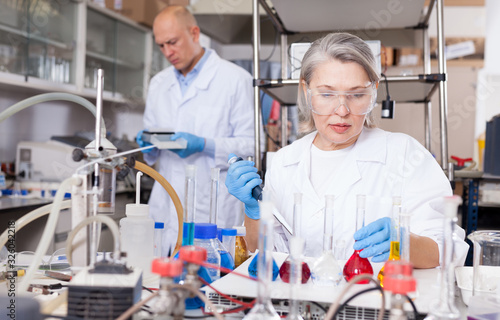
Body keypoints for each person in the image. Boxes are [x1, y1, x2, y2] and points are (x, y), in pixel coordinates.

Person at [225, 32, 469, 269]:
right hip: (296, 304)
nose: (342, 110)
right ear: (306, 92)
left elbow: (448, 250)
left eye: (356, 94)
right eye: (327, 93)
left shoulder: (404, 154)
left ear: (373, 92)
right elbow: (261, 255)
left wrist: (406, 243)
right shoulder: (285, 161)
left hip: (376, 303)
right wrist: (253, 212)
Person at [137, 6, 255, 252]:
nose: (168, 52)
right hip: (166, 206)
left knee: (211, 282)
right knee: (162, 282)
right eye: (161, 46)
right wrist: (147, 144)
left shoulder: (235, 79)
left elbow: (252, 145)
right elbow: (152, 156)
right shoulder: (159, 83)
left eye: (173, 42)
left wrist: (204, 144)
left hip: (213, 206)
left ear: (194, 33)